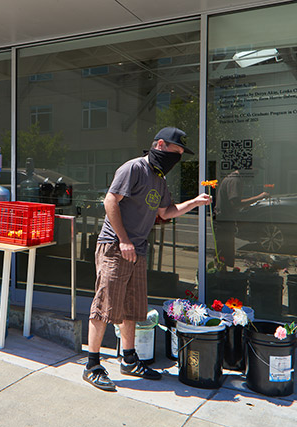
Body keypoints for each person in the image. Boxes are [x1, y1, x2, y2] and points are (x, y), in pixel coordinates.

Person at [83, 127, 212, 392]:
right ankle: (92, 365)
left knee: (132, 308)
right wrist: (124, 240)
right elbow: (110, 201)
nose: (177, 159)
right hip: (115, 247)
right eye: (176, 153)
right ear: (161, 145)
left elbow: (165, 211)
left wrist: (194, 203)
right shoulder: (134, 168)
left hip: (136, 250)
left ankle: (129, 359)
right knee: (104, 305)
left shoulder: (159, 179)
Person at [214, 170, 269, 267]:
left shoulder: (231, 178)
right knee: (224, 253)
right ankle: (221, 276)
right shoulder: (235, 180)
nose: (254, 175)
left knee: (223, 252)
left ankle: (222, 274)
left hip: (223, 221)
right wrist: (259, 197)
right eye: (254, 172)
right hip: (224, 222)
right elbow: (235, 203)